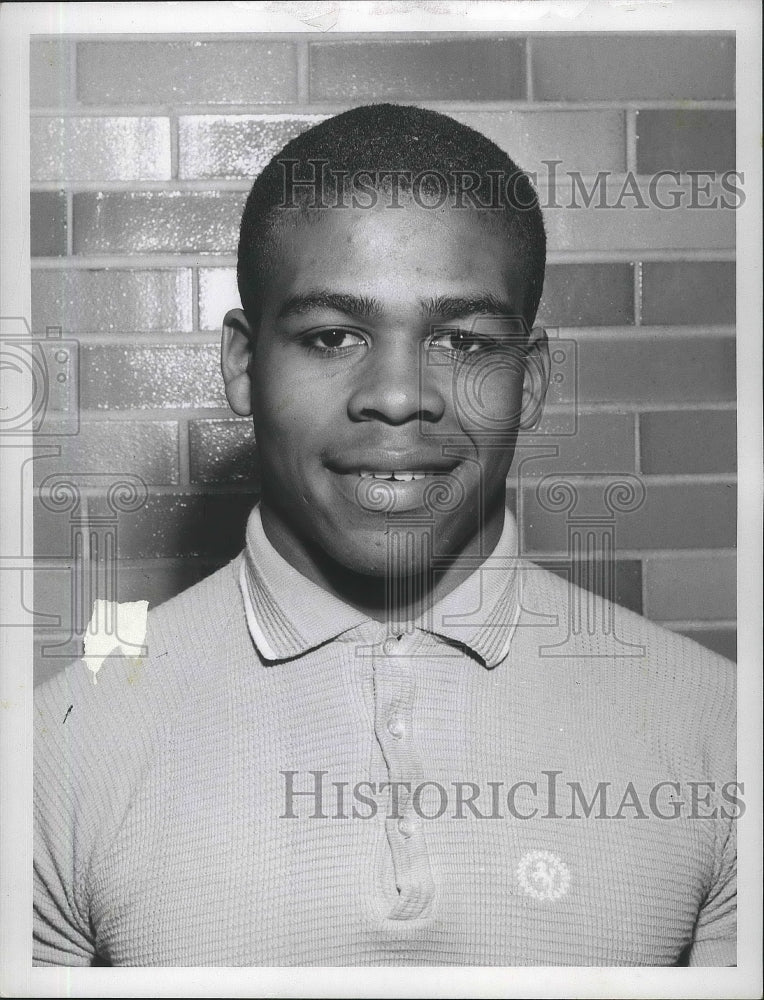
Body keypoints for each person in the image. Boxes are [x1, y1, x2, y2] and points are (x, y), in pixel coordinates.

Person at [33, 104, 736, 967]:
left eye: (465, 341)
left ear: (534, 379)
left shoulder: (723, 731)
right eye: (333, 336)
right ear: (244, 366)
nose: (399, 395)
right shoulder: (58, 747)